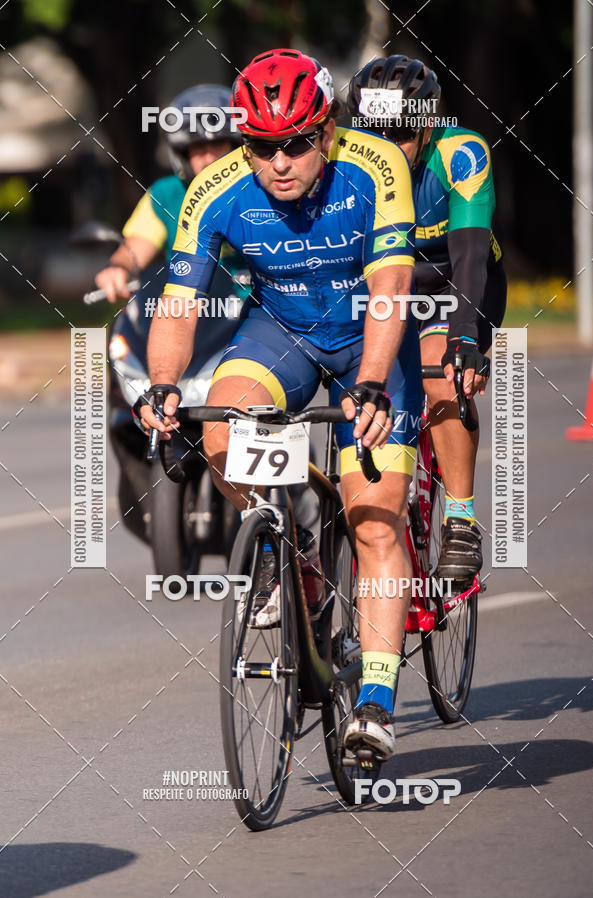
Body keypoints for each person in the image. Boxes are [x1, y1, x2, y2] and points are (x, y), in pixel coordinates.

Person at [137, 48, 422, 760]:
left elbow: (391, 289)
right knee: (223, 430)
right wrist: (164, 384)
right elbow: (176, 304)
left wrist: (372, 383)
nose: (280, 162)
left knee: (373, 515)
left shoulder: (377, 167)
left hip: (371, 335)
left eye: (296, 142)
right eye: (261, 146)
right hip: (283, 332)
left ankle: (378, 700)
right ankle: (288, 557)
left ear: (326, 131)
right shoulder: (215, 189)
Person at [348, 56, 507, 583]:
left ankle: (460, 519)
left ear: (428, 125)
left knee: (442, 377)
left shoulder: (460, 154)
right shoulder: (343, 160)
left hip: (452, 282)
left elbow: (470, 260)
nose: (386, 148)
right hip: (383, 286)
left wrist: (465, 339)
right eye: (373, 133)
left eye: (399, 135)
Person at [94, 83, 243, 303]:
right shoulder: (165, 194)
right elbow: (135, 249)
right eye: (199, 148)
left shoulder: (261, 189)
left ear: (236, 147)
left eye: (218, 145)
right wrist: (118, 268)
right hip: (189, 313)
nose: (209, 159)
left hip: (255, 316)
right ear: (182, 154)